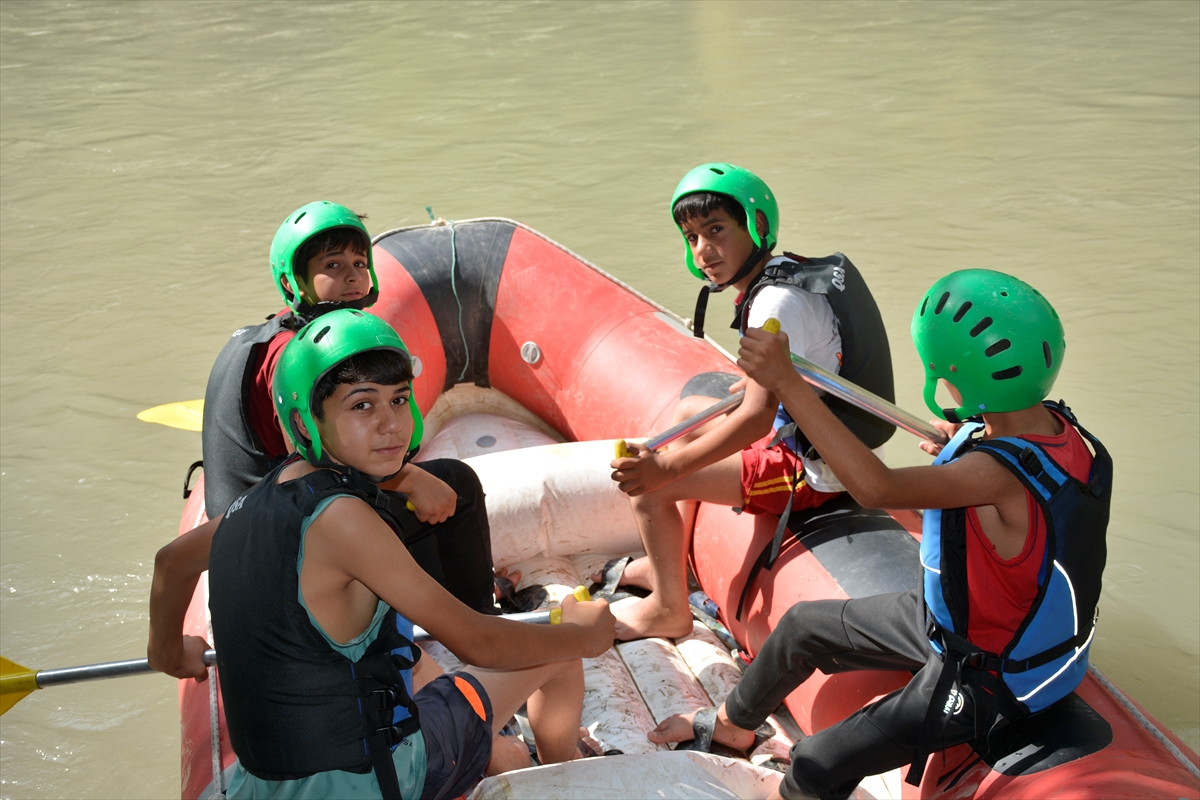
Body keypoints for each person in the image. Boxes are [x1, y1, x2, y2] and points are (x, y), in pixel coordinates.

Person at [649, 269, 1111, 800]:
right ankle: (731, 726)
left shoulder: (994, 472)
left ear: (952, 373)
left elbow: (876, 487)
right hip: (956, 621)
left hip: (988, 673)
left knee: (816, 763)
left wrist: (787, 383)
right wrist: (963, 437)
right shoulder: (1057, 428)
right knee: (802, 627)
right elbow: (1008, 481)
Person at [149, 309, 616, 799]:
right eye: (362, 405)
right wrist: (581, 635)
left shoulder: (259, 499)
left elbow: (171, 562)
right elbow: (480, 644)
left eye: (399, 399)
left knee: (453, 702)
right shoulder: (344, 519)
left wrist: (168, 652)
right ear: (305, 422)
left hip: (267, 783)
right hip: (372, 783)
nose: (391, 424)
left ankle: (506, 755)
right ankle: (565, 777)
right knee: (558, 650)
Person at [604, 163, 895, 640]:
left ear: (757, 226)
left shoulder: (773, 304)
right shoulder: (789, 275)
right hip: (816, 430)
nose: (703, 250)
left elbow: (757, 420)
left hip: (814, 469)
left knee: (649, 489)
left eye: (716, 230)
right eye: (692, 237)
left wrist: (666, 470)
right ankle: (670, 566)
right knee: (686, 413)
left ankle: (668, 608)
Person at [201, 200, 511, 614]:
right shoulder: (296, 357)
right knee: (456, 483)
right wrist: (410, 479)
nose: (351, 275)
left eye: (360, 263)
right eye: (332, 265)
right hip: (274, 536)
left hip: (250, 519)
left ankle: (446, 590)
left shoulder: (277, 331)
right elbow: (314, 466)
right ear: (292, 281)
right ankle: (478, 615)